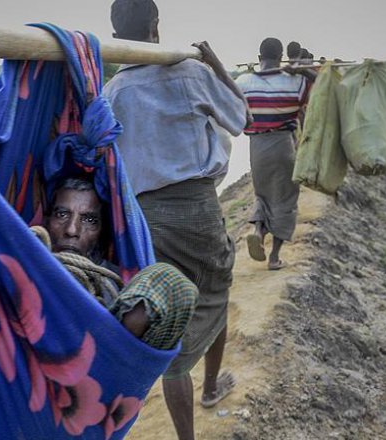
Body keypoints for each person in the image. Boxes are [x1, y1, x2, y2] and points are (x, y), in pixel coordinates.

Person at [103, 1, 250, 438]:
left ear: (116, 32)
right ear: (155, 26)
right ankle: (207, 387)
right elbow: (241, 119)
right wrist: (216, 65)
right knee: (216, 290)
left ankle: (186, 426)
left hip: (144, 217)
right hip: (195, 209)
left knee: (171, 311)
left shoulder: (113, 92)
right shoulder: (190, 72)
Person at [41, 177, 199, 350]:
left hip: (102, 365)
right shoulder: (23, 266)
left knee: (168, 279)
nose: (72, 230)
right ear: (47, 221)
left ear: (103, 231)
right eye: (62, 214)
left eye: (89, 220)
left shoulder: (118, 285)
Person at [235, 37, 312, 270]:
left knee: (263, 195)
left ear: (259, 59)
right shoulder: (295, 82)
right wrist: (304, 71)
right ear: (282, 58)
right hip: (282, 145)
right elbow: (322, 92)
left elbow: (237, 114)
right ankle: (274, 257)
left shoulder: (243, 82)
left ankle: (258, 231)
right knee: (286, 200)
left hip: (256, 148)